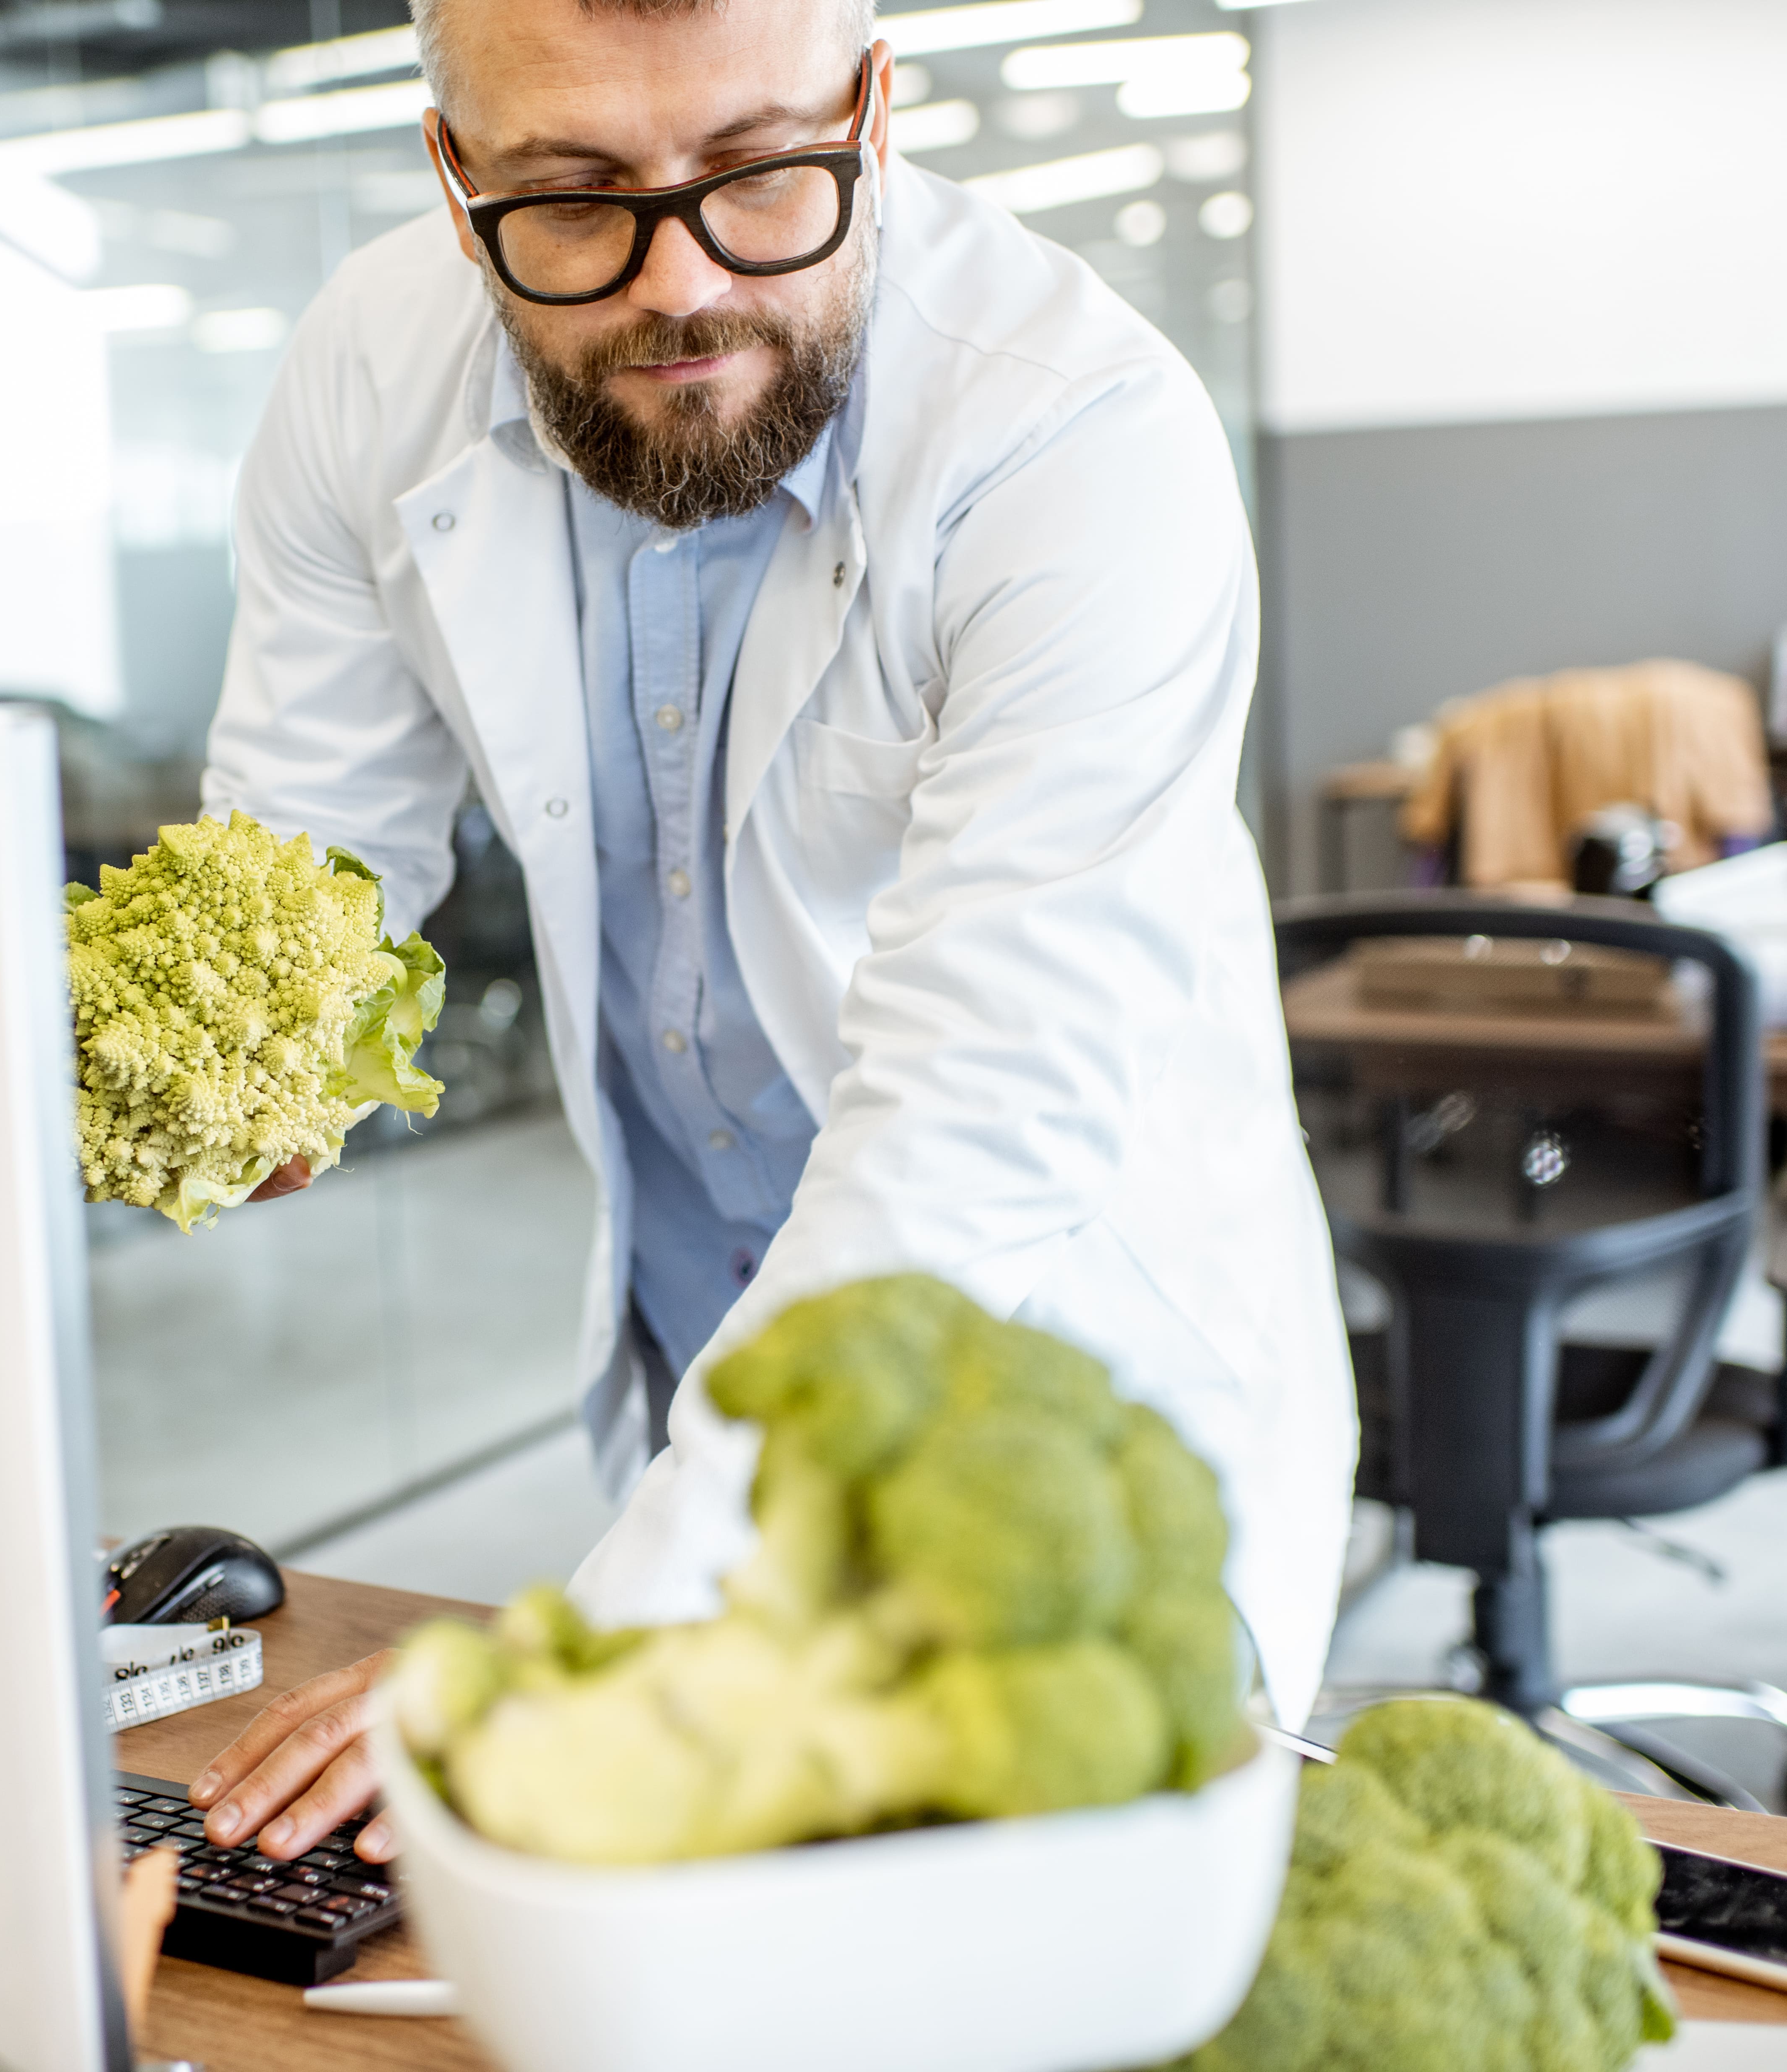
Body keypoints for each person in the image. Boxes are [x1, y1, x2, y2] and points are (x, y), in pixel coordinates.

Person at [193, 0, 1352, 1864]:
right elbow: (310, 836)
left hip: (1057, 1363)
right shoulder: (369, 365)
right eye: (572, 200)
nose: (680, 286)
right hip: (700, 1358)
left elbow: (977, 1124)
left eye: (757, 175)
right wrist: (247, 1066)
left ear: (875, 108)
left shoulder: (1076, 437)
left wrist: (581, 1647)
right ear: (451, 167)